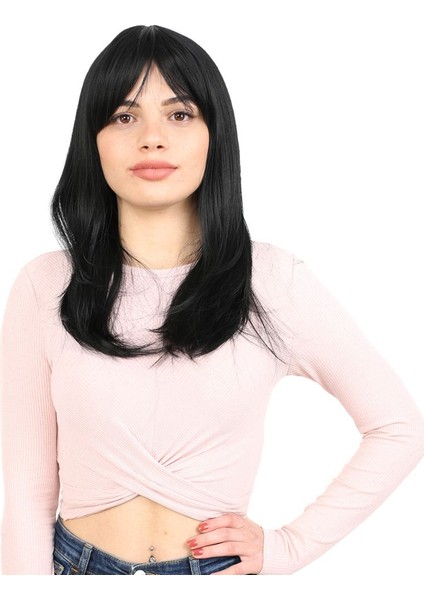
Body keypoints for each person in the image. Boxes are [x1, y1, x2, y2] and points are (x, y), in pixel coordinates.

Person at [1, 24, 423, 577]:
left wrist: (289, 548)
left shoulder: (270, 280)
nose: (152, 138)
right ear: (92, 140)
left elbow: (398, 427)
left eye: (179, 114)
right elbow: (24, 488)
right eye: (124, 116)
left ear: (213, 135)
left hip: (216, 577)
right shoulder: (46, 284)